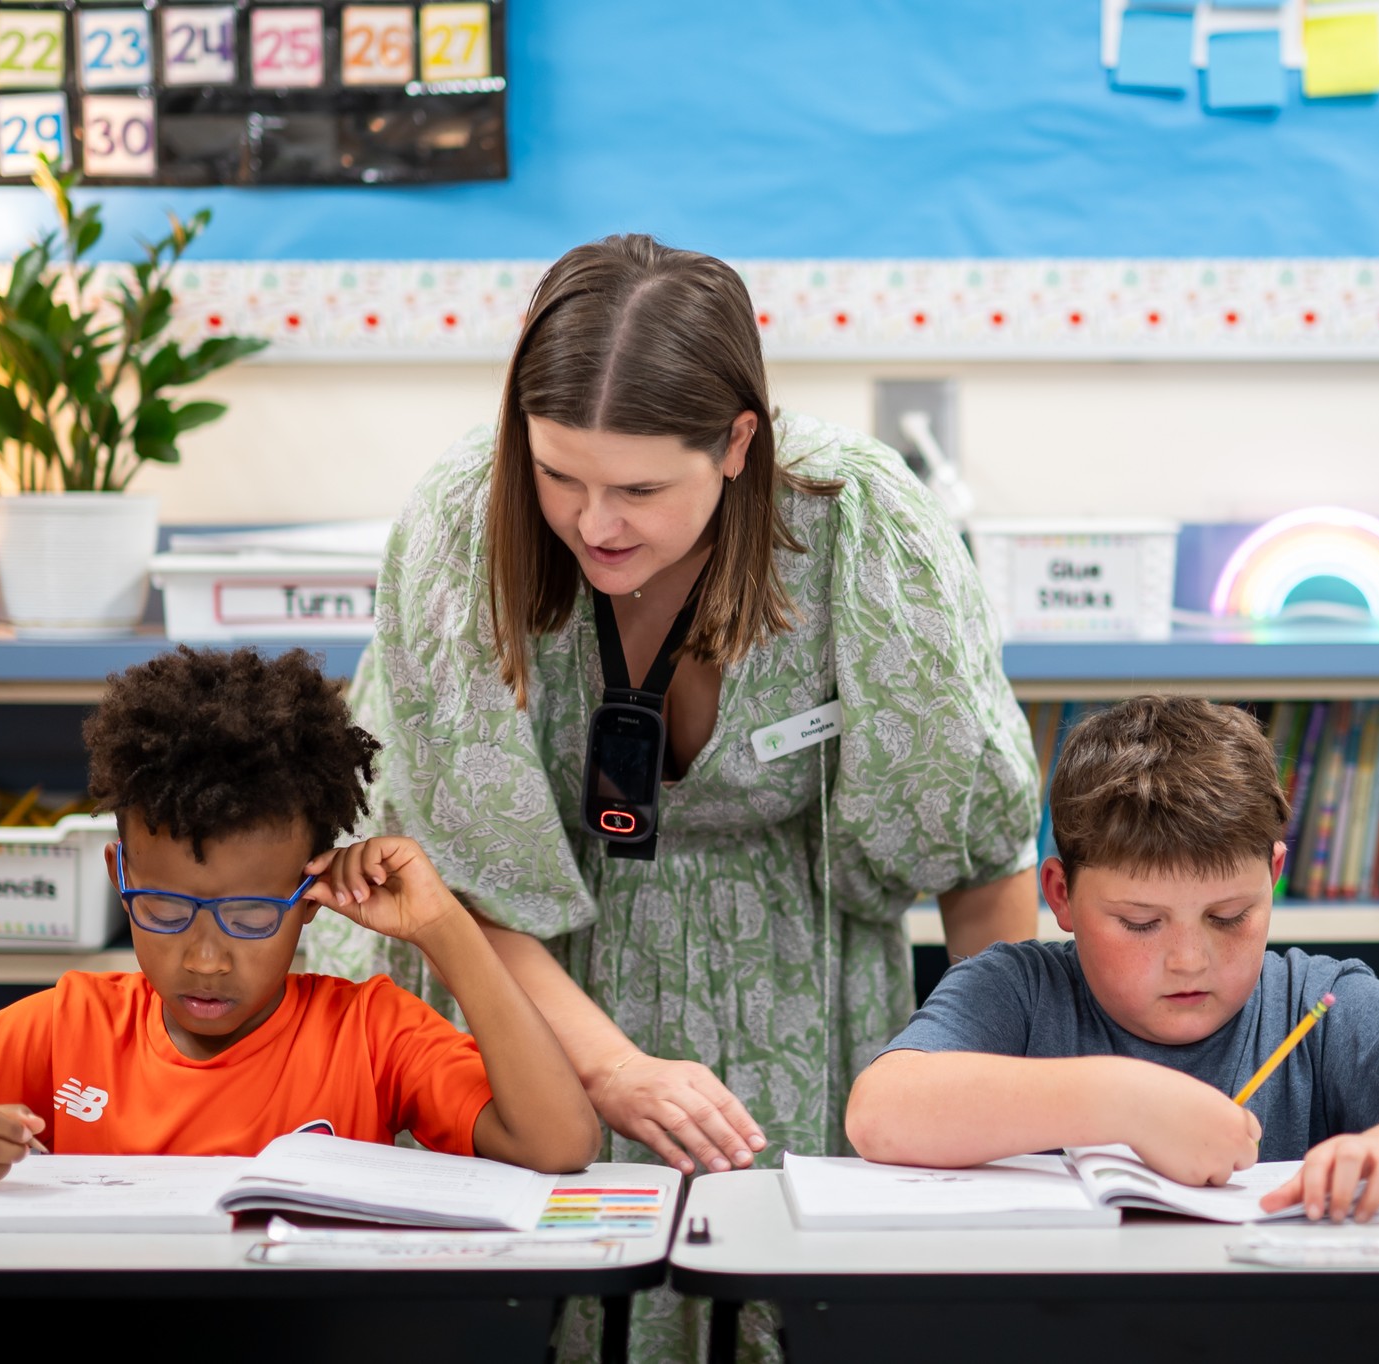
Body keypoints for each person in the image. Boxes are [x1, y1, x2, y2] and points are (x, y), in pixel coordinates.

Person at [305, 234, 1041, 1359]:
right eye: (560, 475)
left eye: (641, 488)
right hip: (503, 976)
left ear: (738, 443)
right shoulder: (462, 523)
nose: (595, 523)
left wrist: (1003, 1138)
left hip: (784, 977)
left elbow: (976, 851)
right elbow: (462, 873)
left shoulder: (861, 526)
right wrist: (608, 1067)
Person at [0, 646, 600, 1188]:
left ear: (309, 896)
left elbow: (559, 1143)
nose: (206, 959)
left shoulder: (371, 1034)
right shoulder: (70, 1028)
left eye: (250, 915)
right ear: (118, 878)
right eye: (166, 909)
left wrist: (442, 925)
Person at [846, 695, 1379, 1222]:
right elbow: (881, 1112)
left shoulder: (1315, 1005)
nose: (1189, 960)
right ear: (1061, 895)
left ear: (1274, 876)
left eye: (1229, 917)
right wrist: (1126, 1101)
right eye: (1140, 923)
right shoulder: (1017, 992)